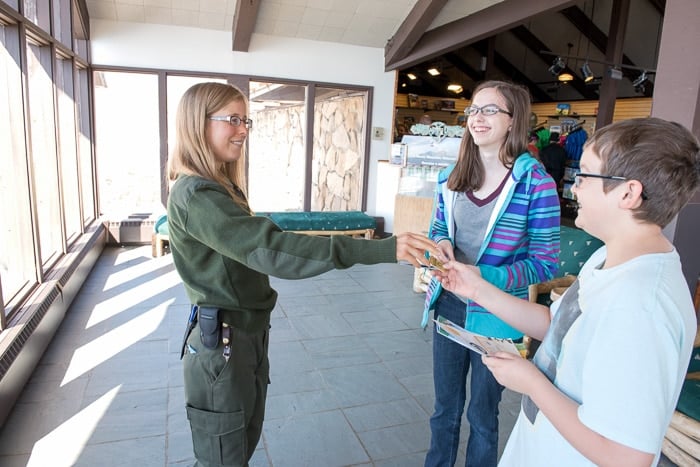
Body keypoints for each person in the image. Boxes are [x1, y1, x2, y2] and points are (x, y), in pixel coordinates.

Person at [166, 82, 442, 467]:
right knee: (222, 458)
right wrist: (382, 248)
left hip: (243, 336)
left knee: (237, 449)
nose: (243, 129)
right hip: (223, 346)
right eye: (232, 120)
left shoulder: (220, 186)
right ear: (197, 124)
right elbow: (272, 251)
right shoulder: (196, 195)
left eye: (245, 120)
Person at [434, 117, 700, 466]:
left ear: (629, 193)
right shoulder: (610, 256)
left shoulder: (642, 305)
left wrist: (532, 382)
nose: (574, 186)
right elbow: (557, 324)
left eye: (586, 175)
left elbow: (626, 457)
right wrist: (478, 289)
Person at [422, 80, 561, 467]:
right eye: (473, 110)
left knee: (483, 418)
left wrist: (483, 279)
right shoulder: (451, 177)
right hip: (447, 308)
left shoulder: (536, 183)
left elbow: (546, 263)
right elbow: (438, 231)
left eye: (489, 110)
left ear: (513, 119)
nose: (477, 118)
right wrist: (441, 246)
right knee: (443, 411)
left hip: (499, 317)